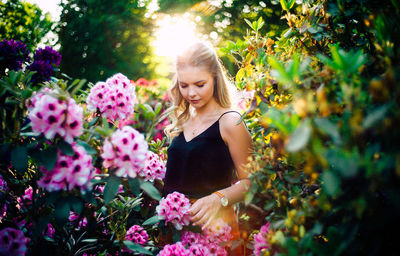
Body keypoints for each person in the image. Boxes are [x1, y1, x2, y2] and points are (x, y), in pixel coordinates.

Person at [162, 41, 253, 254]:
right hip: (174, 232)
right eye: (184, 85)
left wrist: (218, 199)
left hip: (215, 232)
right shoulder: (182, 119)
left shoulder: (230, 121)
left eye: (199, 84)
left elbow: (253, 181)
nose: (191, 93)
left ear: (215, 78)